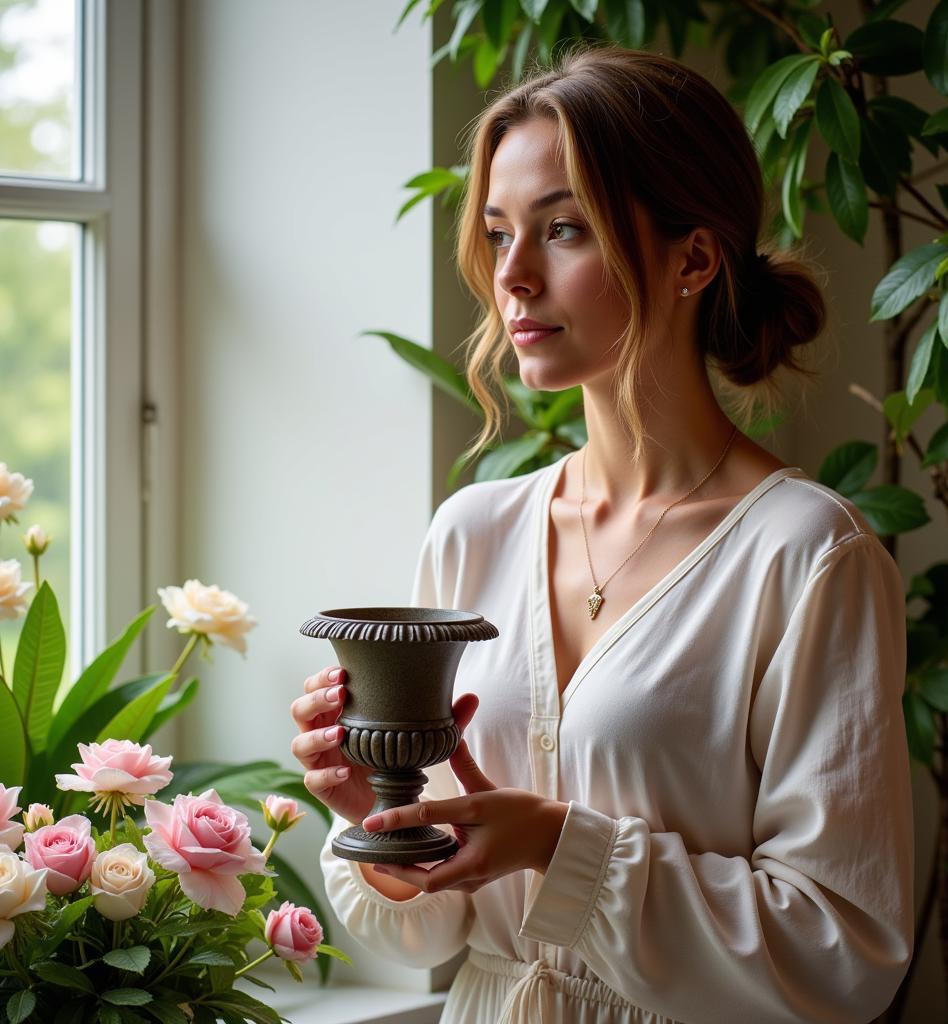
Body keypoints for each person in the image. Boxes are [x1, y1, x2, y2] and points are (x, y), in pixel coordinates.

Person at [290, 44, 913, 1024]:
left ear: (693, 258)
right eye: (499, 234)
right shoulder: (474, 532)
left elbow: (841, 955)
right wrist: (381, 819)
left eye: (564, 230)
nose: (513, 278)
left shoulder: (806, 556)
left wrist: (558, 843)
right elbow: (424, 933)